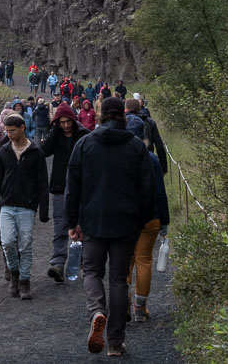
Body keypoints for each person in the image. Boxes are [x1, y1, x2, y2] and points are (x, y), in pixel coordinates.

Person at [66, 97, 154, 357]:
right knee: (118, 279)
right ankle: (115, 343)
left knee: (92, 272)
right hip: (126, 224)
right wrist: (142, 220)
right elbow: (147, 189)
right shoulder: (137, 147)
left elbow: (73, 188)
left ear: (101, 115)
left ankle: (97, 311)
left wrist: (73, 222)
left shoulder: (84, 144)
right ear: (124, 116)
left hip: (93, 221)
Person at [0, 115, 49, 300]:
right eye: (6, 131)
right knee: (7, 242)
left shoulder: (36, 152)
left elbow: (42, 183)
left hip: (27, 206)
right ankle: (14, 273)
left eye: (12, 130)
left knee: (25, 244)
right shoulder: (3, 152)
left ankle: (24, 281)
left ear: (22, 128)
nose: (9, 134)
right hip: (6, 205)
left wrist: (43, 210)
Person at [125, 117, 170, 323]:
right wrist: (165, 221)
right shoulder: (151, 159)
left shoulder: (118, 157)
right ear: (144, 136)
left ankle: (122, 299)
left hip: (124, 218)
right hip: (150, 217)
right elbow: (160, 193)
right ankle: (140, 308)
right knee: (144, 259)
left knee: (125, 259)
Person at [40, 102, 89, 282]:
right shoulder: (57, 135)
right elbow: (43, 152)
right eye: (61, 123)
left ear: (73, 120)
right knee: (60, 224)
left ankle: (84, 264)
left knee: (83, 224)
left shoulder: (85, 136)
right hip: (61, 186)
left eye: (68, 122)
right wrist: (54, 133)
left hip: (82, 187)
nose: (66, 126)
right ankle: (58, 263)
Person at [126, 98, 167, 175]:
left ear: (126, 109)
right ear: (139, 108)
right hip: (147, 157)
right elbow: (159, 145)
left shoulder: (122, 121)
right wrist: (163, 167)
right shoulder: (150, 122)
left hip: (126, 160)